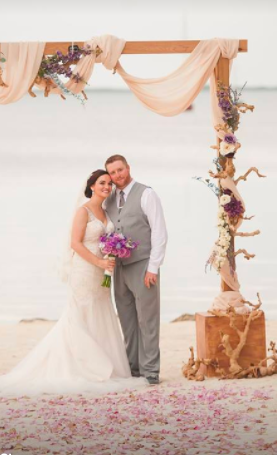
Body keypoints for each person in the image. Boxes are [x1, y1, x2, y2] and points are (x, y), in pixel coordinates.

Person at [0, 170, 146, 397]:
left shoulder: (106, 211)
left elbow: (106, 240)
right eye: (102, 183)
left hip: (102, 271)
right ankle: (81, 366)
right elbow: (75, 243)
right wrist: (98, 261)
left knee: (100, 313)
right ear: (91, 186)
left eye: (109, 183)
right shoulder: (82, 211)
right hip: (85, 271)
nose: (107, 186)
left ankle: (106, 365)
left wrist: (111, 254)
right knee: (80, 315)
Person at [105, 155, 168, 385]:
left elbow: (159, 233)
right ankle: (134, 370)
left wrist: (153, 267)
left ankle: (150, 372)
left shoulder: (147, 194)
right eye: (112, 172)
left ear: (128, 168)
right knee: (128, 322)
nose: (118, 175)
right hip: (119, 270)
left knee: (148, 321)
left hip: (143, 266)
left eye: (120, 170)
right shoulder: (108, 200)